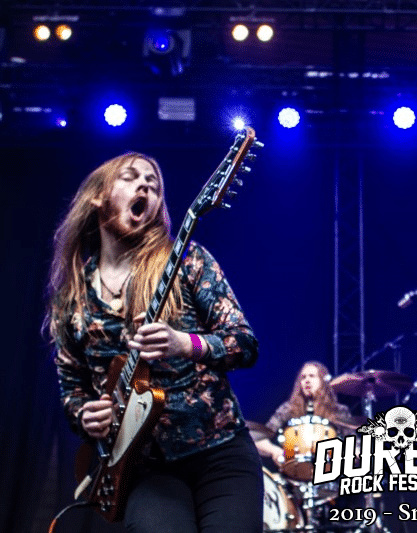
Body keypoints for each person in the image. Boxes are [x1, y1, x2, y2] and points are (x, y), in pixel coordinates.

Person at [45, 152, 263, 533]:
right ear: (98, 197)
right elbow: (72, 387)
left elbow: (244, 343)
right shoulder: (73, 299)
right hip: (147, 468)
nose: (145, 185)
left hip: (221, 452)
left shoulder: (187, 261)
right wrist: (85, 416)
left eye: (154, 184)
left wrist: (185, 344)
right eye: (131, 177)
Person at [255, 361, 356, 466]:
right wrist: (274, 450)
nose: (307, 380)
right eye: (303, 378)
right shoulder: (288, 408)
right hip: (294, 469)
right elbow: (259, 439)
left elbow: (354, 445)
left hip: (328, 469)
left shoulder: (338, 410)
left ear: (323, 381)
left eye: (312, 376)